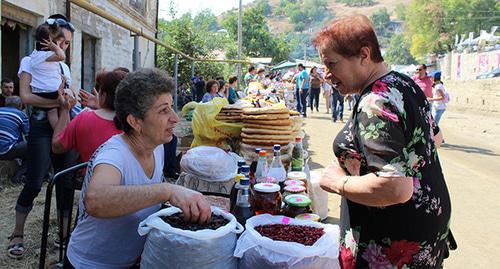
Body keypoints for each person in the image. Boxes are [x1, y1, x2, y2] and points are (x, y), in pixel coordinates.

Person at [313, 15, 450, 269]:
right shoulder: (403, 83)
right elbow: (435, 139)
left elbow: (395, 188)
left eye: (332, 64)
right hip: (424, 233)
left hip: (391, 245)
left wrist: (339, 182)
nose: (328, 75)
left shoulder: (375, 102)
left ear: (364, 54)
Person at [66, 68, 211, 268]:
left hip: (131, 260)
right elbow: (95, 200)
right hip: (92, 264)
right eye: (163, 110)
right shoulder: (114, 154)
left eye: (171, 107)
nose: (175, 118)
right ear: (135, 121)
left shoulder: (156, 147)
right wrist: (166, 190)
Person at [7, 15, 76, 259]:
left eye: (67, 43)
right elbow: (25, 97)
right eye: (60, 41)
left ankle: (64, 237)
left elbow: (69, 93)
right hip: (39, 124)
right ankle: (17, 233)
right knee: (35, 180)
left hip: (64, 120)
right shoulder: (29, 61)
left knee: (65, 181)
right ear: (48, 39)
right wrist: (54, 101)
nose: (63, 47)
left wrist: (66, 102)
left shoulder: (64, 66)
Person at [51, 70, 126, 162]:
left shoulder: (84, 117)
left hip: (93, 175)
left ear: (104, 95)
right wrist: (102, 106)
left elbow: (57, 147)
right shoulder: (136, 122)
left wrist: (64, 110)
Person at [29, 20, 68, 129]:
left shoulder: (34, 55)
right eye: (56, 42)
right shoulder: (46, 55)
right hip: (52, 91)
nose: (59, 45)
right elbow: (62, 57)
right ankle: (64, 131)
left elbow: (46, 71)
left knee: (52, 111)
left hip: (39, 91)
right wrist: (55, 48)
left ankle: (57, 130)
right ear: (49, 42)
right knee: (65, 108)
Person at [0, 96, 29, 184]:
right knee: (35, 147)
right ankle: (18, 177)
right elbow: (29, 136)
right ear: (20, 105)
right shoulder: (21, 114)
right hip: (5, 150)